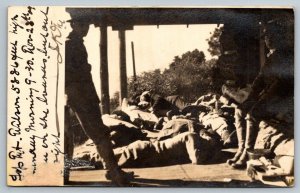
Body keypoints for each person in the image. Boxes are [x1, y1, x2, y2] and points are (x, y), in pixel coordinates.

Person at [65, 18, 133, 186]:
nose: (86, 28)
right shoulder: (70, 44)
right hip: (80, 96)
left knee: (98, 133)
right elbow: (70, 75)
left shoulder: (75, 43)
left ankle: (112, 170)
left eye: (87, 25)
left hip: (84, 96)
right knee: (98, 134)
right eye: (82, 24)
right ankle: (113, 171)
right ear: (73, 25)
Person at [223, 19, 294, 169]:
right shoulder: (272, 56)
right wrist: (248, 95)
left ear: (277, 36)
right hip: (270, 96)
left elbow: (281, 84)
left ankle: (247, 153)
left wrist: (260, 98)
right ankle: (241, 149)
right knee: (239, 110)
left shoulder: (285, 56)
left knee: (253, 114)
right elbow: (260, 79)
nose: (267, 40)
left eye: (269, 36)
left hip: (282, 98)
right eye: (266, 37)